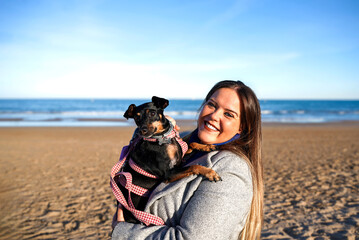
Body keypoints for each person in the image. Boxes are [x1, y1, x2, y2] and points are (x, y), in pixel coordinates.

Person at [111, 80, 264, 240]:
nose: (214, 115)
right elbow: (142, 157)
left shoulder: (230, 171)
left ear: (242, 127)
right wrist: (160, 133)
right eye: (212, 105)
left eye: (228, 114)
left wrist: (123, 233)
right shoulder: (183, 140)